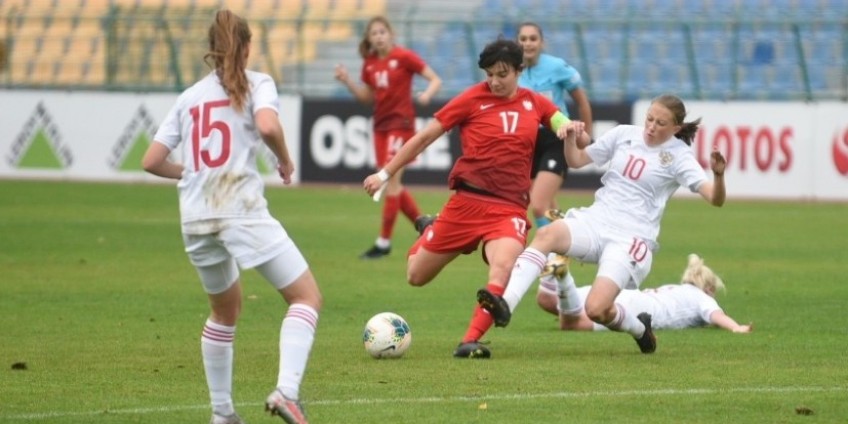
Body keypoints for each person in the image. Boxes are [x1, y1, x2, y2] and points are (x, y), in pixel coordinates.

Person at [141, 10, 320, 424]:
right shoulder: (258, 82)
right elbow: (268, 125)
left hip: (195, 216)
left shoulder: (190, 96)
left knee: (225, 311)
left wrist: (193, 174)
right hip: (239, 209)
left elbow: (151, 160)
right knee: (306, 297)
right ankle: (286, 393)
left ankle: (222, 414)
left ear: (212, 48)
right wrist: (285, 161)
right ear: (247, 46)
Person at [363, 38, 589, 359]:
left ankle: (469, 341)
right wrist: (384, 174)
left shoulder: (534, 102)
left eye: (502, 74)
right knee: (416, 276)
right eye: (489, 74)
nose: (495, 81)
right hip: (466, 204)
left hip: (508, 209)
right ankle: (431, 227)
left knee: (503, 267)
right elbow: (426, 136)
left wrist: (569, 127)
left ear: (518, 71)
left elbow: (558, 120)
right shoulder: (471, 98)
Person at [477, 93, 727, 354]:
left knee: (596, 309)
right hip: (597, 220)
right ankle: (505, 304)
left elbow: (715, 199)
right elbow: (576, 160)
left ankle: (641, 330)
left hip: (631, 239)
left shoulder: (680, 156)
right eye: (649, 119)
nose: (651, 127)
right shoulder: (623, 134)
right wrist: (570, 138)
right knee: (547, 234)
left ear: (676, 128)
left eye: (661, 124)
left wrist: (718, 175)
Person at [335, 15, 442, 260]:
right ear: (369, 39)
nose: (379, 36)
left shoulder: (404, 57)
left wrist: (427, 95)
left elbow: (435, 79)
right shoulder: (370, 64)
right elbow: (366, 98)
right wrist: (348, 81)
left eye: (383, 31)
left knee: (389, 179)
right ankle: (425, 224)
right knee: (390, 180)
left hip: (400, 124)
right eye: (374, 33)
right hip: (380, 126)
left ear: (391, 34)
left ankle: (383, 242)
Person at [536, 253, 753, 333]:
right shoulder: (702, 297)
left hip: (627, 295)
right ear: (710, 289)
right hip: (636, 308)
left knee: (548, 301)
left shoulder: (676, 288)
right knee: (570, 323)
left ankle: (554, 257)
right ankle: (563, 276)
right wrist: (737, 327)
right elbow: (717, 316)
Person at [516, 22, 594, 228]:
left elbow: (582, 102)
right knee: (547, 204)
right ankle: (566, 240)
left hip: (556, 137)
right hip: (529, 142)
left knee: (538, 206)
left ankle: (554, 251)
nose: (528, 43)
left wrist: (586, 138)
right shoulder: (513, 71)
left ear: (542, 43)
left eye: (533, 39)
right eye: (523, 39)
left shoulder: (557, 67)